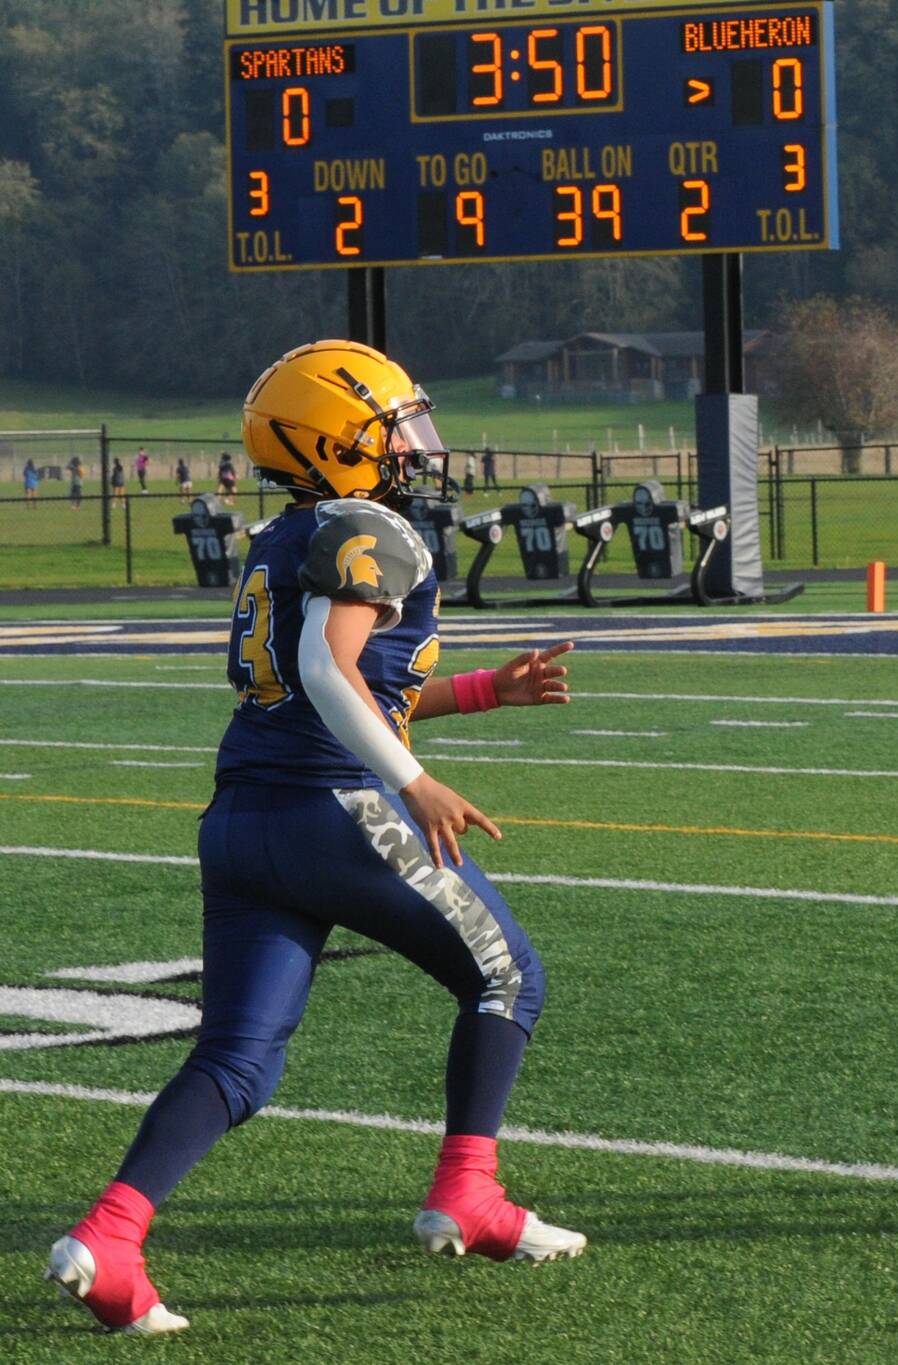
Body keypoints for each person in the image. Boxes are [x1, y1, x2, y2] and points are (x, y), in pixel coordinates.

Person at [46, 341, 586, 1336]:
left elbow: (346, 681)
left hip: (244, 818)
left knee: (240, 1061)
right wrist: (413, 780)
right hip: (330, 811)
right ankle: (469, 1194)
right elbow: (326, 670)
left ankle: (110, 1240)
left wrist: (479, 692)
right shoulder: (370, 527)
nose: (409, 448)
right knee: (508, 978)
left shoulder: (288, 534)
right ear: (335, 441)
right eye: (389, 430)